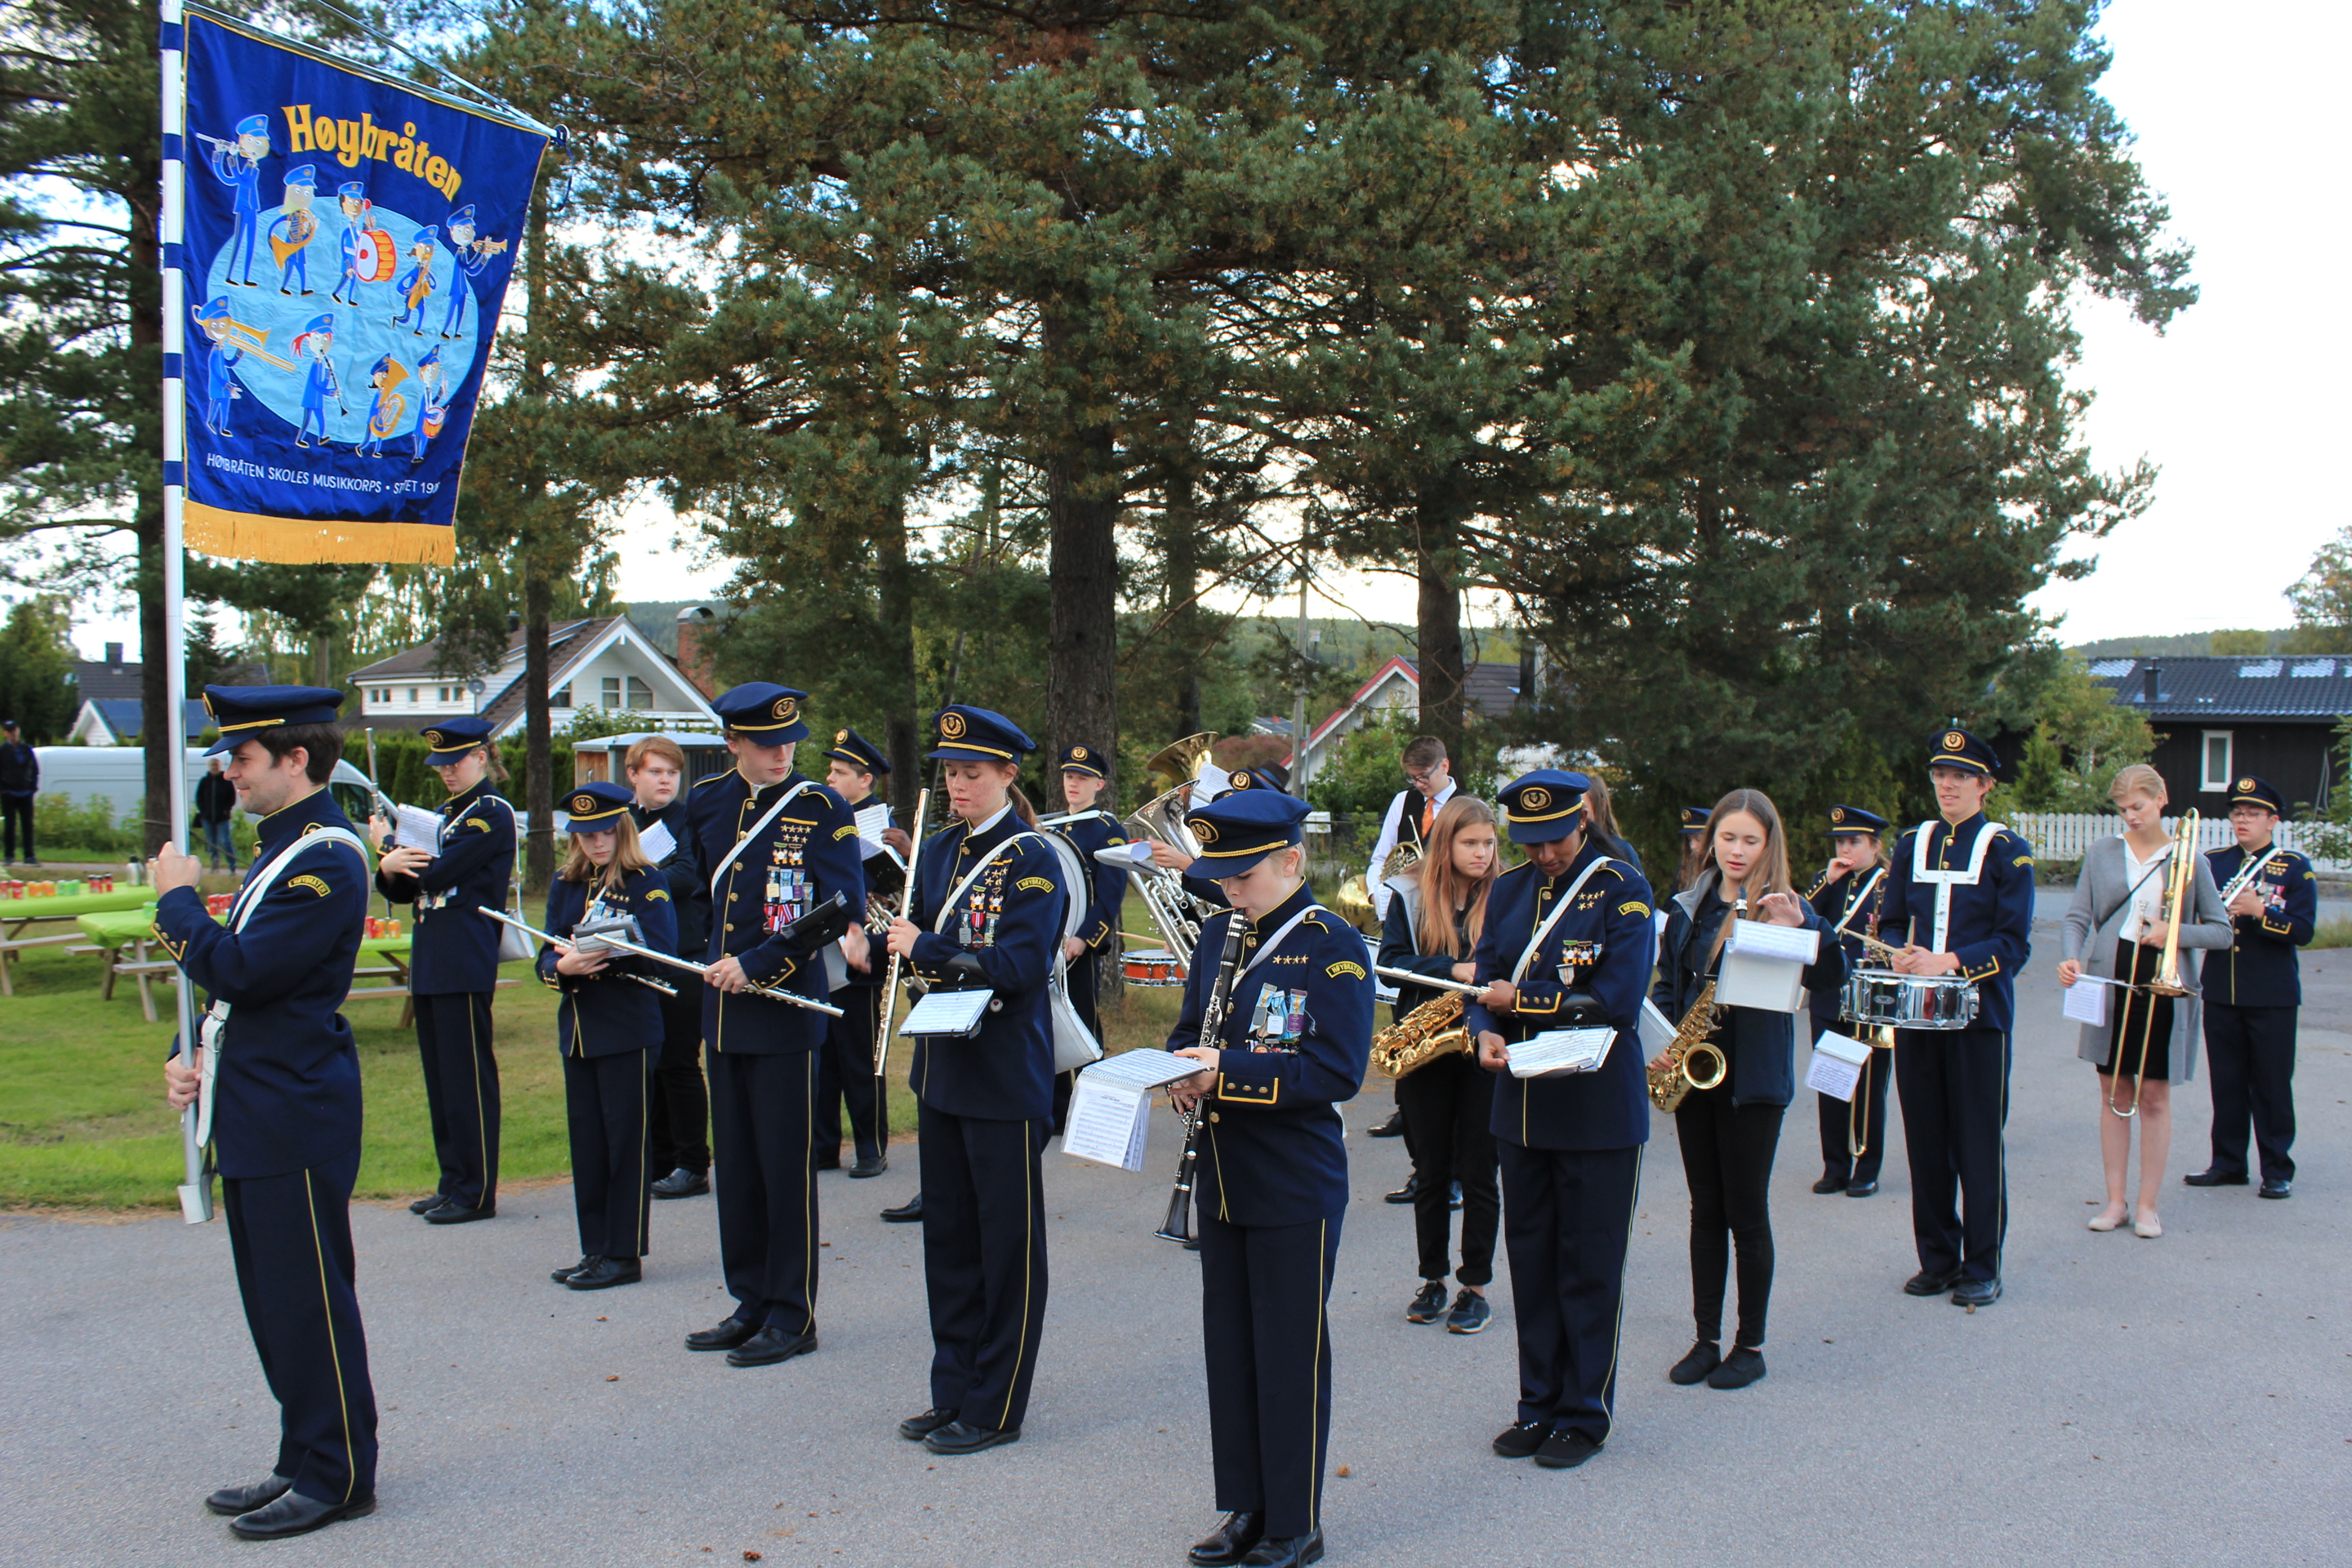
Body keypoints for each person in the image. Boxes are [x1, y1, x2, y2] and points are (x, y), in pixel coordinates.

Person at [155, 684, 377, 1539]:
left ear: (297, 759)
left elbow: (244, 972)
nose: (228, 771)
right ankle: (303, 1454)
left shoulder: (328, 858)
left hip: (293, 1110)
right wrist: (187, 1051)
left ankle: (339, 1474)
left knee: (309, 1301)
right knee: (277, 1302)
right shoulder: (282, 848)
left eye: (242, 757)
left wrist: (176, 901)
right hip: (256, 1101)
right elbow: (245, 993)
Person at [1167, 788, 1373, 1568]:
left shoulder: (1333, 946)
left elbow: (1335, 1069)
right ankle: (1245, 1507)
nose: (1229, 889)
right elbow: (1191, 1028)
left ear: (1292, 860)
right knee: (1233, 1350)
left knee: (1288, 1354)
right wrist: (1181, 1069)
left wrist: (1224, 1072)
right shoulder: (1218, 933)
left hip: (1293, 1181)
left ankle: (1295, 1522)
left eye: (1242, 875)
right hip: (1224, 1174)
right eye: (1221, 875)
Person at [882, 706, 1062, 1457]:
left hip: (1002, 1075)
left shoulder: (1035, 858)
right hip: (943, 1069)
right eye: (951, 773)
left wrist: (925, 947)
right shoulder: (939, 849)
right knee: (950, 1245)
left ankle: (996, 1405)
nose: (958, 785)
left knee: (1005, 1250)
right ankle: (951, 1390)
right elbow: (922, 939)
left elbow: (1018, 968)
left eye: (973, 773)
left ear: (1008, 775)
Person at [1466, 769, 1656, 1471]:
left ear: (1582, 820)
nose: (1544, 854)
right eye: (1531, 842)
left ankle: (1584, 1412)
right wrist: (1483, 1028)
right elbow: (1485, 981)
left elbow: (1616, 999)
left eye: (1555, 839)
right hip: (1522, 1108)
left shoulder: (1623, 888)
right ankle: (1537, 1404)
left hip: (1597, 1110)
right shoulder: (1510, 889)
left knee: (1589, 1266)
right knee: (1534, 1263)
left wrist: (1520, 1003)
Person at [681, 684, 866, 1368]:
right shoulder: (707, 800)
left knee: (784, 1172)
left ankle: (792, 1314)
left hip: (785, 1011)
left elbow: (841, 904)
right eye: (765, 744)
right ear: (733, 743)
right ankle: (750, 1302)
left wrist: (757, 964)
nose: (782, 754)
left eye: (789, 741)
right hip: (723, 1014)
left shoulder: (820, 806)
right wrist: (707, 959)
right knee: (737, 1170)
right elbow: (703, 894)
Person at [1652, 790, 1842, 1391]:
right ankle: (1706, 1339)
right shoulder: (1690, 905)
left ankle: (1750, 1345)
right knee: (1705, 1211)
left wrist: (1807, 926)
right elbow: (1669, 983)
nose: (1736, 850)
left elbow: (1833, 977)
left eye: (1750, 840)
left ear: (1768, 845)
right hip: (1696, 1074)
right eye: (1727, 837)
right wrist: (1663, 1035)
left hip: (1753, 1084)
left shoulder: (1786, 907)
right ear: (1711, 840)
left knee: (1747, 1213)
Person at [1878, 728, 2034, 1307]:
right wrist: (1898, 950)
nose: (1947, 784)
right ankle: (1938, 1259)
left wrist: (1951, 961)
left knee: (1977, 1144)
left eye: (1961, 776)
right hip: (1918, 1014)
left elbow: (2013, 944)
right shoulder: (1910, 843)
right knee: (1926, 1140)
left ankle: (1982, 1265)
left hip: (1980, 1019)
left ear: (1984, 785)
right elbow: (1892, 920)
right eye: (1941, 774)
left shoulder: (2007, 849)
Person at [2057, 764, 2230, 1238]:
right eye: (2122, 809)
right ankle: (2115, 1202)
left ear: (2161, 799)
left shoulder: (2190, 858)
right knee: (2114, 1093)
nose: (2130, 816)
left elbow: (2221, 932)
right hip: (2110, 980)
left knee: (2153, 1095)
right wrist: (2070, 956)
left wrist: (2172, 932)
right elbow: (2077, 918)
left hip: (2163, 983)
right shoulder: (2102, 852)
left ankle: (2148, 1206)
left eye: (2138, 806)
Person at [372, 717, 516, 1224]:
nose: (448, 772)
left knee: (467, 1079)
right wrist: (390, 865)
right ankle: (452, 1181)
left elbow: (437, 872)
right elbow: (403, 887)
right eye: (441, 766)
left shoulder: (489, 813)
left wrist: (388, 850)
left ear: (481, 756)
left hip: (462, 957)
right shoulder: (441, 816)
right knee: (441, 1080)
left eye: (456, 762)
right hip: (433, 955)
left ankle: (476, 1191)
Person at [538, 782, 679, 1290]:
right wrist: (562, 967)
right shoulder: (567, 883)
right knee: (589, 1145)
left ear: (623, 830)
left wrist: (601, 954)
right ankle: (594, 1248)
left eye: (605, 833)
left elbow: (663, 952)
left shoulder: (647, 881)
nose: (597, 843)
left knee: (625, 1146)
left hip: (627, 1028)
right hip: (579, 1030)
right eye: (586, 835)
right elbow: (546, 953)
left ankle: (623, 1254)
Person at [1377, 795, 1502, 1335]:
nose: (1482, 853)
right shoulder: (1408, 894)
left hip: (1483, 1048)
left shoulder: (1507, 894)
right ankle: (1432, 1279)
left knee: (1479, 1174)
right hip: (1425, 1048)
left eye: (1489, 843)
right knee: (1429, 1173)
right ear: (1446, 843)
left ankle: (1476, 1287)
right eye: (1470, 843)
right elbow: (1390, 964)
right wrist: (1452, 968)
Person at [2189, 776, 2318, 1200]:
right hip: (2222, 991)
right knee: (2226, 1082)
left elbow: (2304, 931)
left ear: (2272, 820)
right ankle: (2228, 1163)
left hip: (2272, 996)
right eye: (2237, 813)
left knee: (2272, 1085)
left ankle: (2277, 1169)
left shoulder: (2294, 866)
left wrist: (2263, 912)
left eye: (2253, 814)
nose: (2243, 820)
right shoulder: (2213, 862)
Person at [626, 737, 715, 1201]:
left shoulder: (687, 819)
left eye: (672, 773)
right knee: (650, 1064)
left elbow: (689, 873)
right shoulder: (622, 820)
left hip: (684, 953)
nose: (665, 781)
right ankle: (658, 1159)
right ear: (633, 775)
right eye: (656, 772)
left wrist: (635, 871)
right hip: (636, 954)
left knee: (680, 1062)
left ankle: (692, 1163)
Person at [817, 727, 900, 1177]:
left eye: (839, 772)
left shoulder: (884, 829)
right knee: (824, 1056)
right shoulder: (824, 818)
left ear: (865, 780)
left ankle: (870, 1147)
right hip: (823, 947)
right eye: (830, 771)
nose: (829, 779)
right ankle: (823, 1145)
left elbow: (902, 892)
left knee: (860, 1056)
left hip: (863, 951)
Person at [1805, 806, 1892, 1196]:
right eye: (1840, 842)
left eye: (1854, 842)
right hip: (1830, 997)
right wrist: (1827, 881)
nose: (1845, 849)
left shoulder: (1889, 885)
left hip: (1873, 999)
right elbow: (1803, 917)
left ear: (1875, 846)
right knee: (1831, 1082)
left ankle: (1867, 1167)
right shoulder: (1828, 882)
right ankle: (1835, 1166)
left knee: (1869, 1089)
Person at [1049, 742, 1129, 1133]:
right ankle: (1056, 1112)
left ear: (1099, 784)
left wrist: (1084, 938)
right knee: (1048, 1025)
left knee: (1082, 1026)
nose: (1073, 784)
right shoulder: (1050, 828)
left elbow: (1110, 895)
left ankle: (1093, 1112)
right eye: (1069, 776)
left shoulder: (1108, 830)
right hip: (1049, 945)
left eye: (1082, 778)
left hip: (1078, 948)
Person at [1367, 736, 1457, 921]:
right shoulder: (1402, 800)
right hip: (1402, 911)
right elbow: (1381, 858)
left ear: (1444, 766)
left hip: (1446, 911)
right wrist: (1375, 894)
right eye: (1413, 778)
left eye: (1424, 776)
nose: (1418, 784)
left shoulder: (1468, 806)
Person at [1, 717, 39, 866]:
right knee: (10, 825)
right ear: (5, 733)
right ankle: (9, 856)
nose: (13, 733)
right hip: (9, 793)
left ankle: (29, 856)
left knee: (27, 825)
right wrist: (3, 789)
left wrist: (32, 787)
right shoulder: (3, 751)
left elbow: (34, 769)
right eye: (9, 731)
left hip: (25, 792)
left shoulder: (26, 749)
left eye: (14, 730)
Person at [198, 756, 240, 872]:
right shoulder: (205, 781)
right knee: (212, 843)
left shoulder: (226, 781)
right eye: (212, 765)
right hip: (207, 817)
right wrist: (203, 810)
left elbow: (232, 798)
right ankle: (215, 865)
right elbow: (199, 797)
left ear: (220, 767)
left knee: (225, 841)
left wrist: (226, 809)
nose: (214, 768)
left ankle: (232, 865)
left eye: (216, 765)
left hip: (222, 817)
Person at [1674, 805, 1711, 892]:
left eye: (1698, 839)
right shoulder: (1684, 867)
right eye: (1690, 839)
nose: (1692, 846)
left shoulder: (1724, 871)